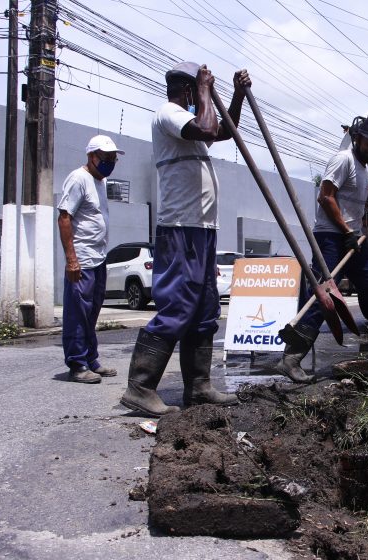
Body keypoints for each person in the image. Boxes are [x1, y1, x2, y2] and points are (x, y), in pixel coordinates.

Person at [120, 62, 251, 417]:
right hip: (180, 228)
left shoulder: (190, 119)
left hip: (202, 230)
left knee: (204, 309)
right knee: (177, 306)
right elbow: (208, 125)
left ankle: (199, 386)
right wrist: (206, 90)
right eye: (199, 89)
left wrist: (236, 95)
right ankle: (140, 387)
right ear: (189, 90)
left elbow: (223, 131)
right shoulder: (168, 113)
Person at [276, 116, 368, 384]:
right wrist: (347, 231)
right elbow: (326, 196)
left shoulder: (361, 169)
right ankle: (290, 360)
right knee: (322, 299)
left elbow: (359, 189)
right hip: (331, 238)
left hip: (354, 241)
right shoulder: (343, 160)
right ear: (357, 139)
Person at [57, 135, 124, 383]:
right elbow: (64, 218)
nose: (110, 162)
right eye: (105, 157)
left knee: (92, 311)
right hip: (82, 259)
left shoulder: (100, 182)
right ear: (91, 156)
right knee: (77, 312)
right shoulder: (78, 179)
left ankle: (91, 359)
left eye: (113, 158)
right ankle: (77, 364)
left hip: (99, 258)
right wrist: (71, 260)